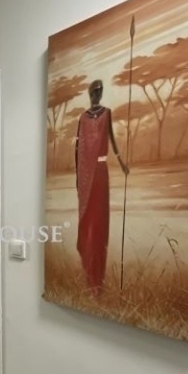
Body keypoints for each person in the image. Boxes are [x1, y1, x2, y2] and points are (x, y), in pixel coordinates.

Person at [75, 80, 129, 293]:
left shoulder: (107, 113)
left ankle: (99, 279)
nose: (98, 94)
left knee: (100, 224)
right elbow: (79, 149)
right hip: (87, 177)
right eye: (95, 91)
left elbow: (112, 139)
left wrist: (121, 162)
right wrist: (79, 179)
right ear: (90, 93)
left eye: (100, 91)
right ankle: (88, 273)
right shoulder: (82, 118)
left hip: (100, 174)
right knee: (88, 223)